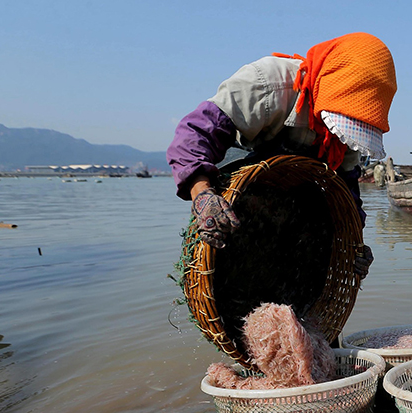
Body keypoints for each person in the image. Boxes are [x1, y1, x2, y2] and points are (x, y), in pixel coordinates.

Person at [166, 32, 397, 279]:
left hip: (294, 209)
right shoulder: (268, 84)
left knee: (313, 238)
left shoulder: (344, 136)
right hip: (241, 186)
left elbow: (347, 188)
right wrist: (203, 195)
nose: (341, 135)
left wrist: (354, 242)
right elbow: (196, 133)